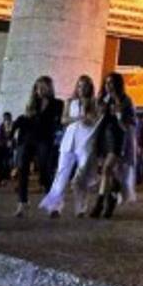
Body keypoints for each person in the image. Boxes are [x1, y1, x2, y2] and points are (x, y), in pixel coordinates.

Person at [41, 74, 101, 218]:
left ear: (90, 88)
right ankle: (54, 207)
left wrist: (87, 113)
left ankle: (81, 208)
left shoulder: (94, 102)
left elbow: (94, 120)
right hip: (69, 140)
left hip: (85, 141)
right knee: (61, 173)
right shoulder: (70, 102)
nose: (82, 88)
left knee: (81, 176)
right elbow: (63, 119)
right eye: (80, 85)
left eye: (85, 85)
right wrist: (78, 118)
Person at [14, 76, 64, 217]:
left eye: (43, 87)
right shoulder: (32, 104)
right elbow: (26, 121)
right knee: (22, 168)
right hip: (28, 139)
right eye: (37, 87)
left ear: (49, 88)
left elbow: (57, 123)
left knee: (45, 170)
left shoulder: (57, 104)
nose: (40, 91)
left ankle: (54, 204)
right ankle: (22, 202)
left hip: (45, 139)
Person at [91, 72, 135, 218]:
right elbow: (96, 119)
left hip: (117, 138)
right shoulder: (103, 99)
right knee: (109, 172)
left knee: (106, 169)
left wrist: (119, 113)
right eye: (106, 82)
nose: (108, 86)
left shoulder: (126, 100)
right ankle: (112, 194)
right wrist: (100, 109)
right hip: (103, 138)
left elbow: (127, 125)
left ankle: (100, 202)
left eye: (111, 83)